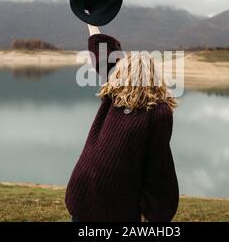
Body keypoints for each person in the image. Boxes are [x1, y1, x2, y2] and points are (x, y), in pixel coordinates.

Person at [65, 24, 179, 222]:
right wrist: (157, 213)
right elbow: (158, 167)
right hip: (115, 202)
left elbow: (101, 54)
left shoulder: (114, 94)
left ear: (122, 74)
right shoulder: (159, 112)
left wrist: (91, 21)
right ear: (154, 75)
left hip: (82, 189)